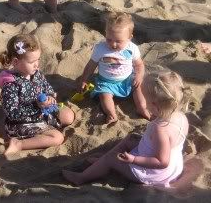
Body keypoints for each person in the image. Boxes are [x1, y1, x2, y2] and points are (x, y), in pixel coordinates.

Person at [63, 70, 192, 187]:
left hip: (153, 172)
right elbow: (169, 143)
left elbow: (161, 161)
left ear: (154, 105)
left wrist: (134, 159)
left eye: (145, 100)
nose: (144, 104)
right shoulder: (180, 116)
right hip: (174, 165)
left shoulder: (160, 129)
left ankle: (82, 177)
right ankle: (100, 162)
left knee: (112, 158)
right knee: (131, 139)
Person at [0, 34, 74, 155]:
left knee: (68, 115)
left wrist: (50, 97)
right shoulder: (11, 85)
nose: (37, 64)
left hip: (42, 112)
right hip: (22, 123)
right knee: (57, 138)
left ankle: (46, 129)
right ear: (16, 62)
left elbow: (46, 86)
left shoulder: (35, 73)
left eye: (38, 59)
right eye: (32, 61)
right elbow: (12, 113)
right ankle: (19, 144)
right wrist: (36, 106)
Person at [78, 12, 150, 124]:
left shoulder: (132, 48)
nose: (113, 44)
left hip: (127, 79)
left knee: (138, 87)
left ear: (129, 38)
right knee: (104, 95)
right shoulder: (101, 48)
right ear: (105, 34)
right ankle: (111, 114)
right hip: (106, 82)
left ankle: (142, 108)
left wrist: (139, 76)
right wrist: (84, 79)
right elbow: (91, 65)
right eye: (109, 39)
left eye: (118, 41)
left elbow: (139, 65)